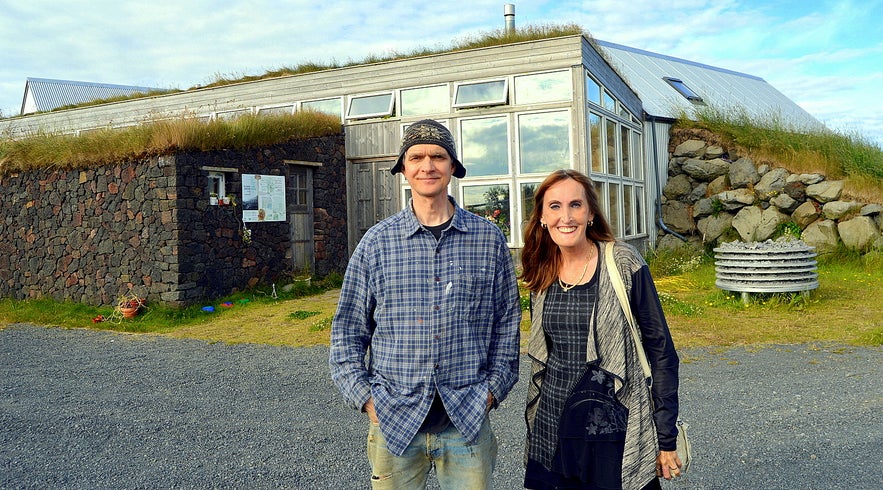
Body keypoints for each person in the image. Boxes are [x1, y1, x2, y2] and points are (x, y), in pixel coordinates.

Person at [329, 119, 521, 489]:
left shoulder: (488, 239)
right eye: (416, 157)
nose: (427, 165)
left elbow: (507, 325)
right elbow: (348, 330)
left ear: (453, 167)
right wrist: (366, 399)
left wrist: (492, 392)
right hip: (393, 424)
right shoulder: (376, 243)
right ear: (403, 167)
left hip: (467, 420)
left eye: (438, 156)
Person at [520, 169, 682, 489]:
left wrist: (666, 438)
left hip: (614, 436)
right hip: (553, 431)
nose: (565, 217)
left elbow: (661, 351)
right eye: (554, 206)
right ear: (541, 216)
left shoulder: (621, 261)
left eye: (575, 205)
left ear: (591, 213)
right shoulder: (542, 271)